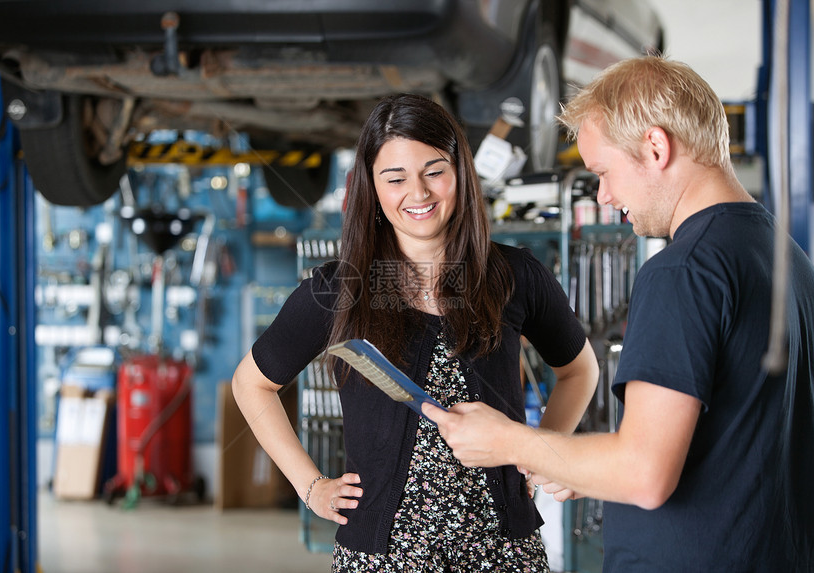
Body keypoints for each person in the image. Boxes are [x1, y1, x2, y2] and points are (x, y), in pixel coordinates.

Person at [423, 56, 814, 572]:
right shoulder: (784, 255)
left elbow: (644, 473)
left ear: (655, 148)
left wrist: (507, 440)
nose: (606, 197)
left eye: (604, 172)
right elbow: (730, 442)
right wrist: (574, 463)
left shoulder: (684, 271)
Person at [232, 93, 599, 572]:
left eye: (434, 171)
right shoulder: (339, 289)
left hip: (502, 552)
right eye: (396, 178)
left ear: (460, 173)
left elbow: (580, 370)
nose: (419, 193)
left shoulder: (514, 274)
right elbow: (252, 383)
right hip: (383, 557)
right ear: (373, 188)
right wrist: (311, 486)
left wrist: (543, 454)